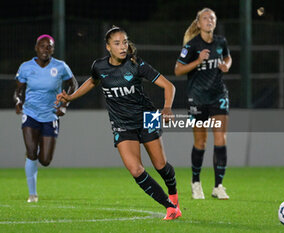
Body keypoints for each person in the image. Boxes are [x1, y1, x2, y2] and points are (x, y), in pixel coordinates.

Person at [56, 26, 181, 220]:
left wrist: (167, 108)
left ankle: (173, 193)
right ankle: (170, 207)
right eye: (117, 43)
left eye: (124, 42)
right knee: (135, 170)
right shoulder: (99, 66)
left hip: (148, 117)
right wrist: (70, 97)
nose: (122, 47)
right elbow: (92, 81)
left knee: (160, 165)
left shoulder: (136, 64)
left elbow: (168, 86)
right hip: (121, 122)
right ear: (108, 47)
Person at [174, 8, 232, 200]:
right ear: (198, 23)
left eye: (212, 18)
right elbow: (178, 70)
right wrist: (198, 61)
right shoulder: (191, 46)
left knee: (221, 139)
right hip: (197, 98)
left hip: (218, 96)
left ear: (215, 23)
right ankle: (196, 183)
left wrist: (226, 65)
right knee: (201, 142)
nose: (209, 20)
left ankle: (218, 186)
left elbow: (227, 57)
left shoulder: (221, 42)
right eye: (205, 18)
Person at [14, 34, 78, 203]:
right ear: (36, 48)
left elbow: (73, 85)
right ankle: (32, 194)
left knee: (45, 160)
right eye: (42, 46)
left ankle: (34, 156)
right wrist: (19, 102)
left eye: (49, 46)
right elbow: (18, 90)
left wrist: (64, 105)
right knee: (31, 152)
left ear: (53, 49)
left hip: (51, 115)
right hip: (30, 114)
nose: (45, 49)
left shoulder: (61, 66)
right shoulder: (26, 67)